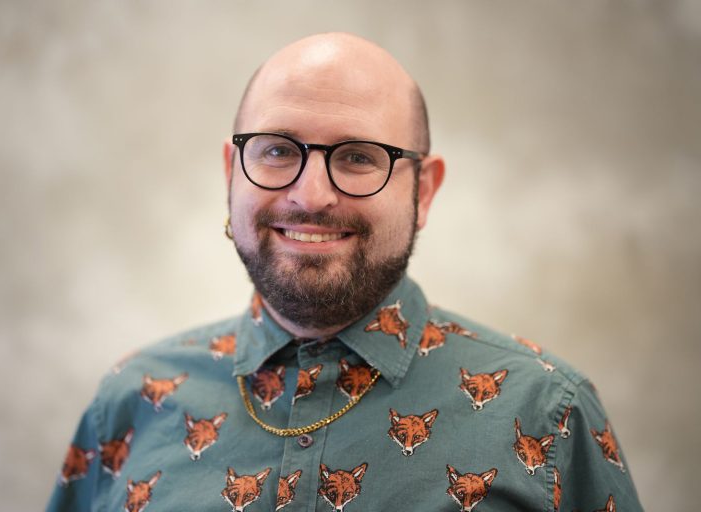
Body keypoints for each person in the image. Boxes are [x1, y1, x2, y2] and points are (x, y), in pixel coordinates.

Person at [47, 33, 643, 512]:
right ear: (232, 171)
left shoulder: (546, 411)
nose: (311, 196)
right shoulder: (131, 402)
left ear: (424, 191)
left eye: (358, 157)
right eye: (278, 150)